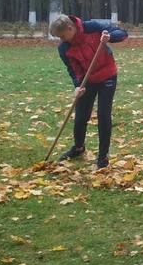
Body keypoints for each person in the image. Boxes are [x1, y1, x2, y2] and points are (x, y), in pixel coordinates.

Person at [50, 15, 129, 170]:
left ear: (70, 28)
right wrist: (78, 86)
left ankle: (103, 157)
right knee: (81, 117)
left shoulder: (92, 27)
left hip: (107, 75)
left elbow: (123, 33)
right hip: (88, 81)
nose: (62, 40)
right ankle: (79, 148)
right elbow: (73, 69)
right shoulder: (64, 47)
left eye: (63, 36)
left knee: (103, 115)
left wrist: (109, 37)